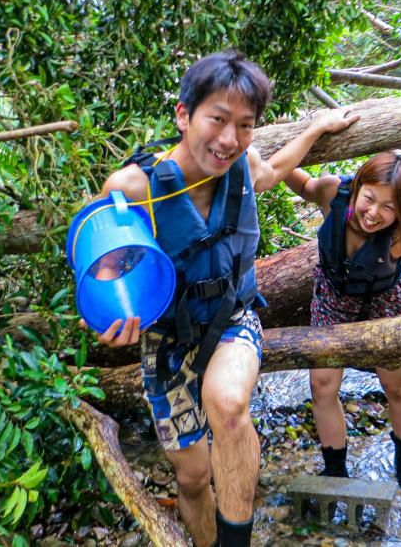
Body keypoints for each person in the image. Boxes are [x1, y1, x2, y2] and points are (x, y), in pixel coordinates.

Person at [93, 51, 359, 546]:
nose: (230, 140)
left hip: (234, 318)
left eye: (245, 125)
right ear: (183, 114)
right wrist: (108, 323)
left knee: (229, 403)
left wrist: (318, 127)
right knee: (193, 480)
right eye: (217, 119)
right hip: (167, 339)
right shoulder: (134, 188)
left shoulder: (244, 165)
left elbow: (276, 169)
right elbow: (104, 272)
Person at [285, 152, 401, 488]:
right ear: (357, 187)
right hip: (332, 300)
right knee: (322, 387)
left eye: (389, 207)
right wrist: (276, 161)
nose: (373, 213)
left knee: (396, 386)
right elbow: (304, 184)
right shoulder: (332, 192)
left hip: (384, 304)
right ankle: (336, 469)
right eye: (369, 198)